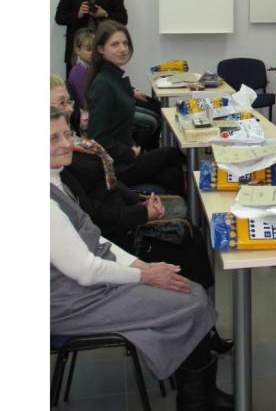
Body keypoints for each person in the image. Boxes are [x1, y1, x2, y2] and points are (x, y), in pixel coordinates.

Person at [50, 107, 233, 408]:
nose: (65, 144)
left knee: (190, 292)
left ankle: (198, 395)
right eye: (52, 138)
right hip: (75, 302)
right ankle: (197, 401)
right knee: (190, 299)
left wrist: (142, 265)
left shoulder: (57, 182)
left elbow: (98, 242)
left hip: (88, 288)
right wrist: (145, 275)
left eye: (67, 134)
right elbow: (86, 270)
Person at [86, 20, 185, 196]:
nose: (122, 49)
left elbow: (120, 126)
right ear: (101, 49)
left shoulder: (114, 76)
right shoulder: (103, 84)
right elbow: (98, 137)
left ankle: (181, 211)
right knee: (171, 154)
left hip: (125, 156)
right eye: (115, 44)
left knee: (171, 175)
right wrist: (129, 152)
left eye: (125, 43)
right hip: (116, 166)